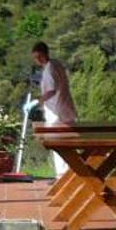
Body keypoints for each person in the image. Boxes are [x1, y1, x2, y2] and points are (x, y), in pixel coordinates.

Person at [31, 42, 76, 180]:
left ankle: (62, 176)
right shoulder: (55, 64)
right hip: (64, 108)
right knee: (66, 145)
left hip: (57, 112)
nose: (37, 60)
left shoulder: (50, 68)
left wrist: (37, 101)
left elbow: (51, 90)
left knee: (58, 144)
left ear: (44, 54)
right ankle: (68, 173)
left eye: (38, 56)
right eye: (35, 57)